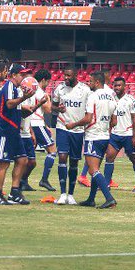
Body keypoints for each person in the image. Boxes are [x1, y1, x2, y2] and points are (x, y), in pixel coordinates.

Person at [51, 63, 90, 204]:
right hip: (62, 127)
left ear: (75, 75)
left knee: (74, 162)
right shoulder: (60, 89)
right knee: (62, 157)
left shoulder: (85, 90)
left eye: (68, 75)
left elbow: (89, 110)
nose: (65, 78)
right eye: (64, 75)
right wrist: (58, 109)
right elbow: (52, 106)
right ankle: (62, 193)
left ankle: (71, 194)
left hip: (78, 130)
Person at [80, 70, 118, 210]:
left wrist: (73, 124)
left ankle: (109, 198)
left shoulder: (93, 96)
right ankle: (91, 199)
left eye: (90, 81)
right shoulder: (111, 97)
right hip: (104, 136)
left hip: (93, 136)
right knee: (96, 169)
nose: (88, 83)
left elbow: (88, 118)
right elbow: (114, 121)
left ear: (97, 82)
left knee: (93, 170)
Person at [103, 75, 135, 193]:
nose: (116, 87)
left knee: (134, 158)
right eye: (115, 85)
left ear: (124, 86)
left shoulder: (130, 100)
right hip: (115, 134)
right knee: (109, 156)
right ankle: (106, 184)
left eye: (119, 85)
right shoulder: (110, 98)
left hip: (128, 134)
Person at [0, 61, 30, 204]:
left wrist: (36, 104)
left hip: (14, 131)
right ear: (13, 75)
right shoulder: (9, 86)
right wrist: (24, 98)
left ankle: (14, 192)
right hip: (5, 130)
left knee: (22, 160)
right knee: (4, 163)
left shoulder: (17, 89)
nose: (23, 77)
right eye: (21, 74)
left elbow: (18, 111)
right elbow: (9, 104)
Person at [27, 69, 57, 194]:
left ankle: (23, 181)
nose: (48, 83)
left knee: (29, 158)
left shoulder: (33, 90)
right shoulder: (40, 92)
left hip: (34, 123)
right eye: (48, 81)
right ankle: (44, 179)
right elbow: (48, 109)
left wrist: (45, 124)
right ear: (43, 80)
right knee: (52, 150)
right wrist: (48, 98)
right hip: (36, 124)